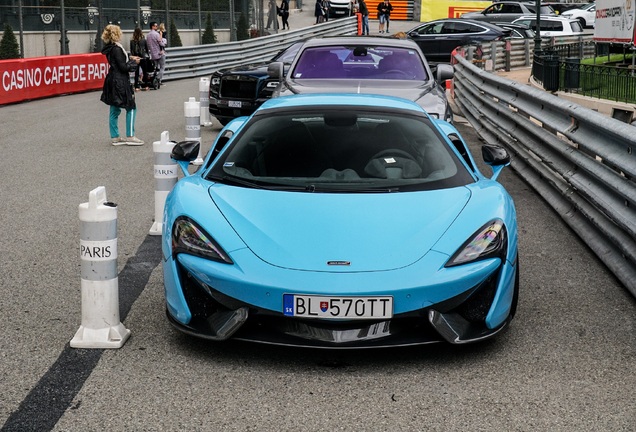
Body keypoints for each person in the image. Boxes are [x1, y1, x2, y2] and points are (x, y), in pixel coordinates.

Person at [99, 24, 144, 146]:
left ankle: (115, 137)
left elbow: (118, 61)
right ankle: (130, 136)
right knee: (131, 107)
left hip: (112, 80)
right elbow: (124, 67)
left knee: (114, 108)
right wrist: (134, 62)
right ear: (116, 34)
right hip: (120, 81)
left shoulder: (110, 48)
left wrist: (129, 58)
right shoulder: (117, 49)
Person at [146, 21, 166, 87]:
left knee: (155, 68)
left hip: (152, 54)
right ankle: (157, 78)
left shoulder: (148, 35)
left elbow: (148, 45)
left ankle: (156, 80)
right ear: (153, 26)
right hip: (159, 53)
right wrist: (164, 42)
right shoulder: (156, 34)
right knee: (162, 67)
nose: (157, 27)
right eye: (156, 26)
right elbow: (161, 43)